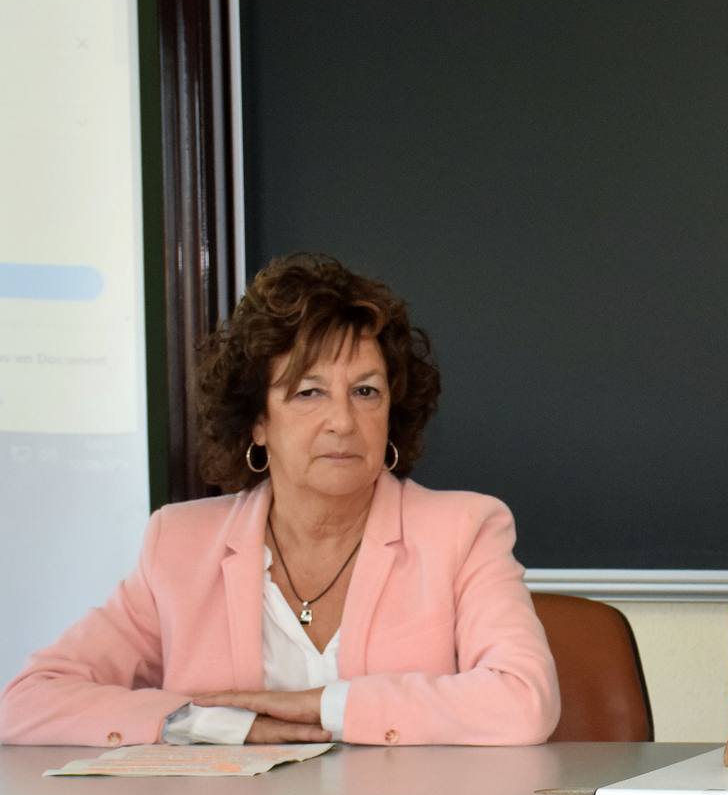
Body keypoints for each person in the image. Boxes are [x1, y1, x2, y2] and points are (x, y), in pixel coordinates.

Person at [0, 253, 559, 748]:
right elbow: (27, 701)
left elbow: (523, 702)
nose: (343, 421)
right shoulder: (181, 544)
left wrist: (324, 707)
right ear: (259, 421)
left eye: (366, 391)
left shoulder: (464, 530)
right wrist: (210, 723)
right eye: (309, 392)